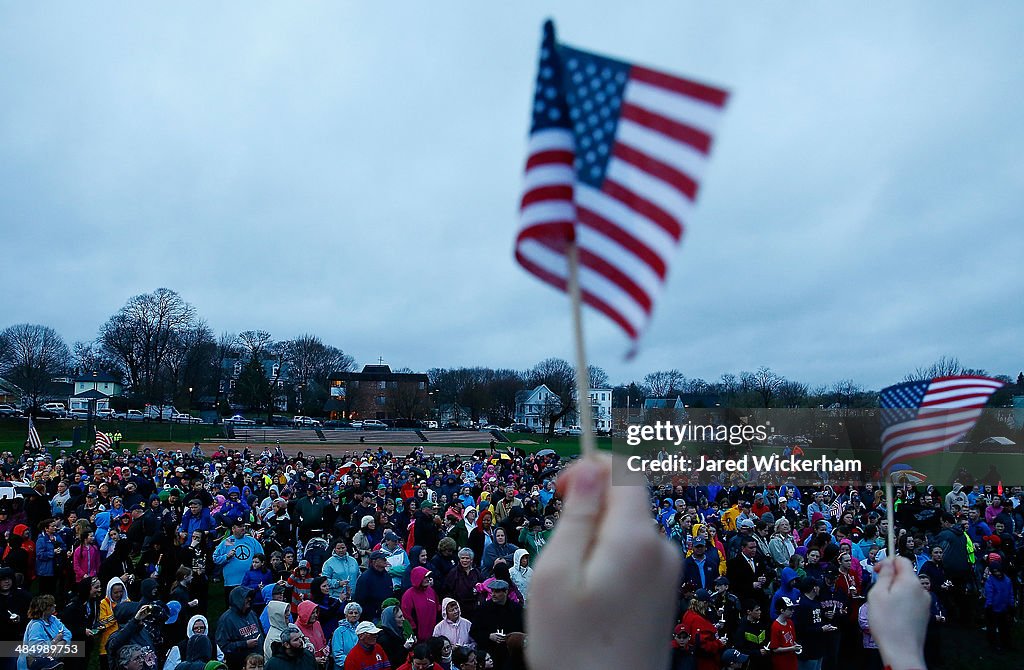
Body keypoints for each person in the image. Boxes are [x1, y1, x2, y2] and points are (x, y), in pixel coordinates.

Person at [470, 580, 522, 670]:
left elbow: (523, 632)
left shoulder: (516, 610)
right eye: (492, 591)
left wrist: (512, 638)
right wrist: (489, 636)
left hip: (511, 656)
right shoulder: (483, 609)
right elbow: (474, 632)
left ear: (506, 592)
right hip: (491, 655)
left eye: (497, 591)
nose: (493, 594)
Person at [214, 520, 265, 607]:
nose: (243, 528)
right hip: (231, 582)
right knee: (233, 607)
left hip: (250, 582)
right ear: (233, 528)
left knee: (248, 607)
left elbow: (261, 557)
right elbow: (215, 558)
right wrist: (226, 556)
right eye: (240, 526)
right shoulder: (229, 541)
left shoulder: (251, 541)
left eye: (244, 526)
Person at [19, 595, 73, 670]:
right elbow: (37, 650)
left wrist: (62, 643)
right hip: (36, 664)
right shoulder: (36, 625)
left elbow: (68, 633)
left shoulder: (53, 619)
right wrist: (55, 641)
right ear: (44, 609)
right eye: (51, 605)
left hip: (52, 660)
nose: (55, 605)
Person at [216, 586, 264, 670]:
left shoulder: (252, 614)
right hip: (239, 664)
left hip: (258, 663)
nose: (249, 599)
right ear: (237, 600)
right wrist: (245, 644)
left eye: (250, 597)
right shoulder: (226, 619)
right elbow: (222, 646)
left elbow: (262, 633)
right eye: (246, 597)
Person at [401, 567, 439, 643]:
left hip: (433, 634)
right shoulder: (408, 595)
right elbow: (407, 615)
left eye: (428, 577)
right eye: (425, 577)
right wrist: (413, 631)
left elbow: (438, 607)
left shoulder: (431, 591)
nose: (428, 579)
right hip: (418, 637)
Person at [331, 602, 362, 669]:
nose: (354, 615)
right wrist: (352, 664)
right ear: (346, 615)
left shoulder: (361, 629)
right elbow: (337, 654)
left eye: (356, 613)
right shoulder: (339, 631)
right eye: (351, 613)